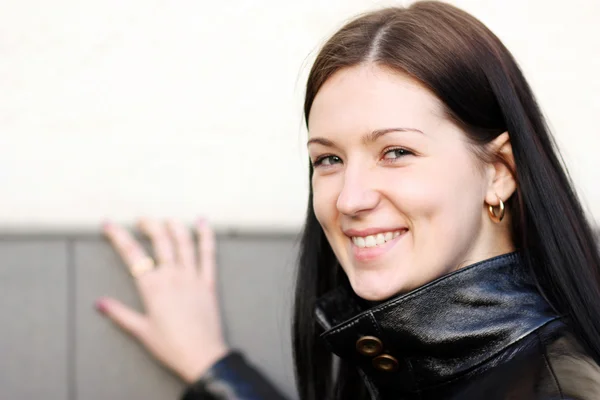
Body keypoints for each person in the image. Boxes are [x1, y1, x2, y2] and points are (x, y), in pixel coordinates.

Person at [96, 1, 600, 399]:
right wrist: (214, 369)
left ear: (500, 172)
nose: (350, 199)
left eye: (396, 151)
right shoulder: (420, 364)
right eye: (328, 160)